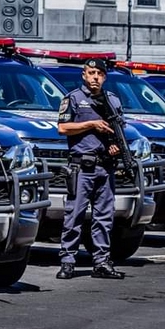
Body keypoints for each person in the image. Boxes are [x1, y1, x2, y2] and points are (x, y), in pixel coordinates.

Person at [55, 59, 126, 280]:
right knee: (74, 215)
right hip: (82, 167)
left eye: (100, 74)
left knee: (104, 218)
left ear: (105, 77)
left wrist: (116, 147)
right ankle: (68, 261)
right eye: (91, 72)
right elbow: (62, 128)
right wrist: (90, 124)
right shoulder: (74, 98)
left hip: (105, 166)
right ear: (84, 75)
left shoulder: (112, 100)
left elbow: (119, 130)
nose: (95, 77)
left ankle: (101, 262)